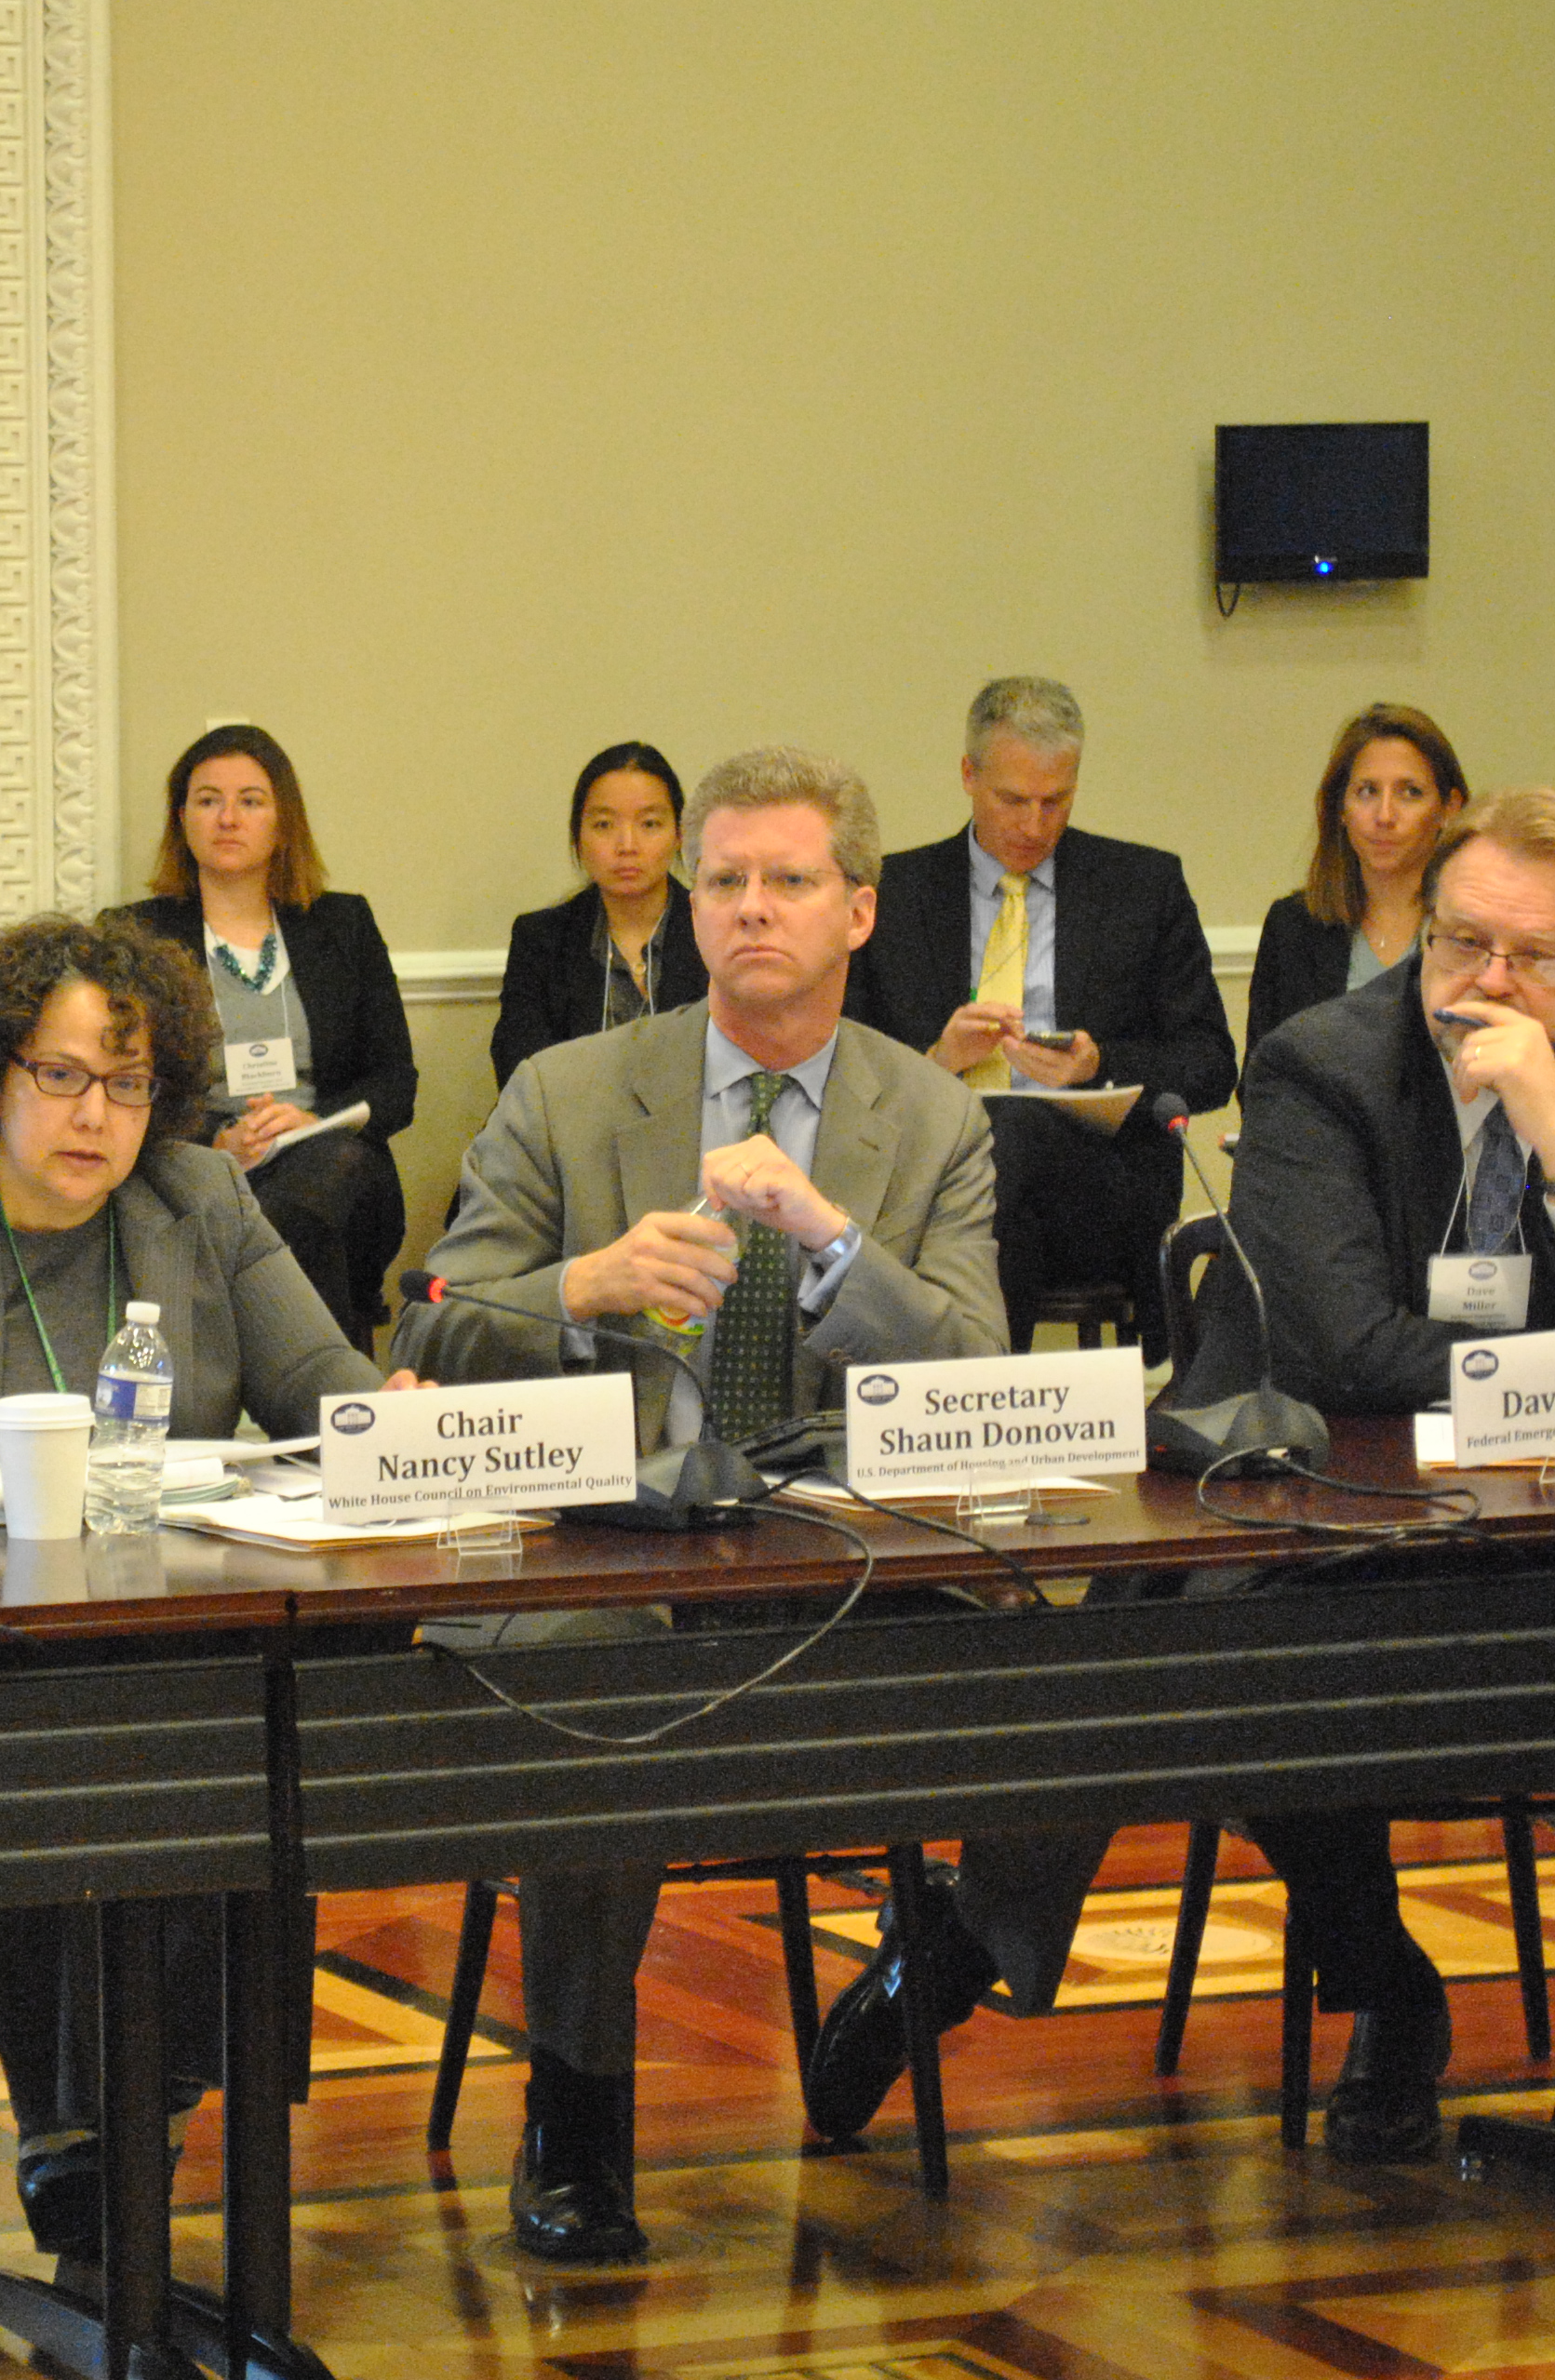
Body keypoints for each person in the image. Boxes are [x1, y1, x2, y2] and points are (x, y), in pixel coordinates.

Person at [391, 745, 1004, 2260]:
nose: (747, 911)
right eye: (721, 881)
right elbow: (434, 1322)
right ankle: (579, 2109)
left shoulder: (929, 1121)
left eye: (786, 881)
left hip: (840, 1551)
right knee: (596, 1664)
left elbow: (978, 1378)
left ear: (856, 910)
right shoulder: (573, 1088)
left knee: (1076, 1642)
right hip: (614, 1539)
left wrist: (833, 1248)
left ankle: (935, 1961)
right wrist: (581, 1287)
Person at [0, 909, 390, 2265]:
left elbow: (336, 1403)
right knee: (51, 1726)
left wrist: (401, 1413)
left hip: (163, 1627)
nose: (99, 1116)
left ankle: (151, 2126)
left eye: (129, 1086)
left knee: (242, 1719)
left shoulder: (204, 1203)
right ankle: (85, 2134)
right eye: (63, 1077)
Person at [1173, 788, 1555, 2158]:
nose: (1484, 984)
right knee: (1221, 1647)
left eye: (1532, 960)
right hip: (1341, 1505)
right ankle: (1388, 1985)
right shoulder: (1321, 1065)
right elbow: (1345, 1349)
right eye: (1460, 941)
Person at [844, 676, 1233, 1361]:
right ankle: (996, 1395)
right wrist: (937, 1062)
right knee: (991, 1160)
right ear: (969, 775)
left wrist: (1097, 1065)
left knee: (1010, 1137)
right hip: (932, 1186)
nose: (1033, 825)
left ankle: (976, 1397)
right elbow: (844, 1065)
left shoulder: (1143, 887)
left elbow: (1209, 1065)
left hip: (1098, 1187)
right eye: (1013, 800)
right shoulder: (894, 895)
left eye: (1056, 801)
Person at [118, 724, 417, 1343]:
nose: (228, 817)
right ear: (182, 819)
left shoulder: (344, 923)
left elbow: (396, 1084)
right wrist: (219, 1140)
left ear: (283, 819)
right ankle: (334, 1400)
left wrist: (312, 1123)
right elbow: (125, 1084)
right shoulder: (137, 935)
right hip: (199, 1163)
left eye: (250, 800)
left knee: (323, 1180)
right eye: (208, 800)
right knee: (294, 1226)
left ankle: (258, 1343)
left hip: (332, 1157)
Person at [1243, 705, 1468, 1062]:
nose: (1384, 816)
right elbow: (1264, 1077)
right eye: (1367, 792)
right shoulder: (1294, 927)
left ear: (1448, 808)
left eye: (1410, 792)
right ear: (1341, 810)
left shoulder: (1477, 929)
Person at [490, 742, 705, 1088]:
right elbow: (520, 1071)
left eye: (650, 824)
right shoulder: (542, 939)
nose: (627, 844)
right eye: (604, 825)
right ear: (578, 837)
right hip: (568, 1134)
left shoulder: (714, 929)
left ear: (680, 834)